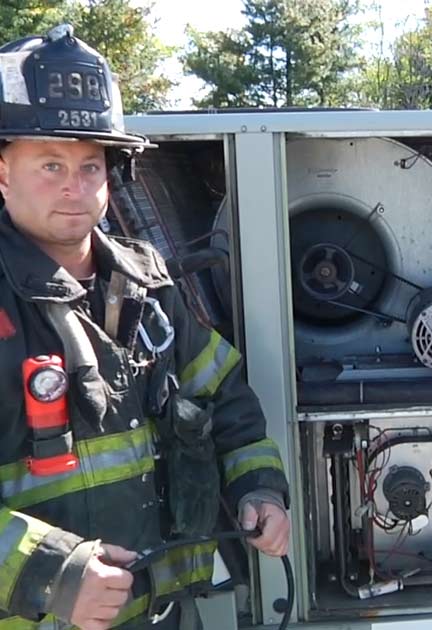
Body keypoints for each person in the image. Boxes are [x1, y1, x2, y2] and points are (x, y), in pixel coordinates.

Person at [0, 25, 290, 630]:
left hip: (162, 612)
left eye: (90, 165)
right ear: (4, 174)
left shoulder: (147, 287)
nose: (74, 187)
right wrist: (54, 575)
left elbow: (225, 396)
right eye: (49, 164)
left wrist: (258, 490)